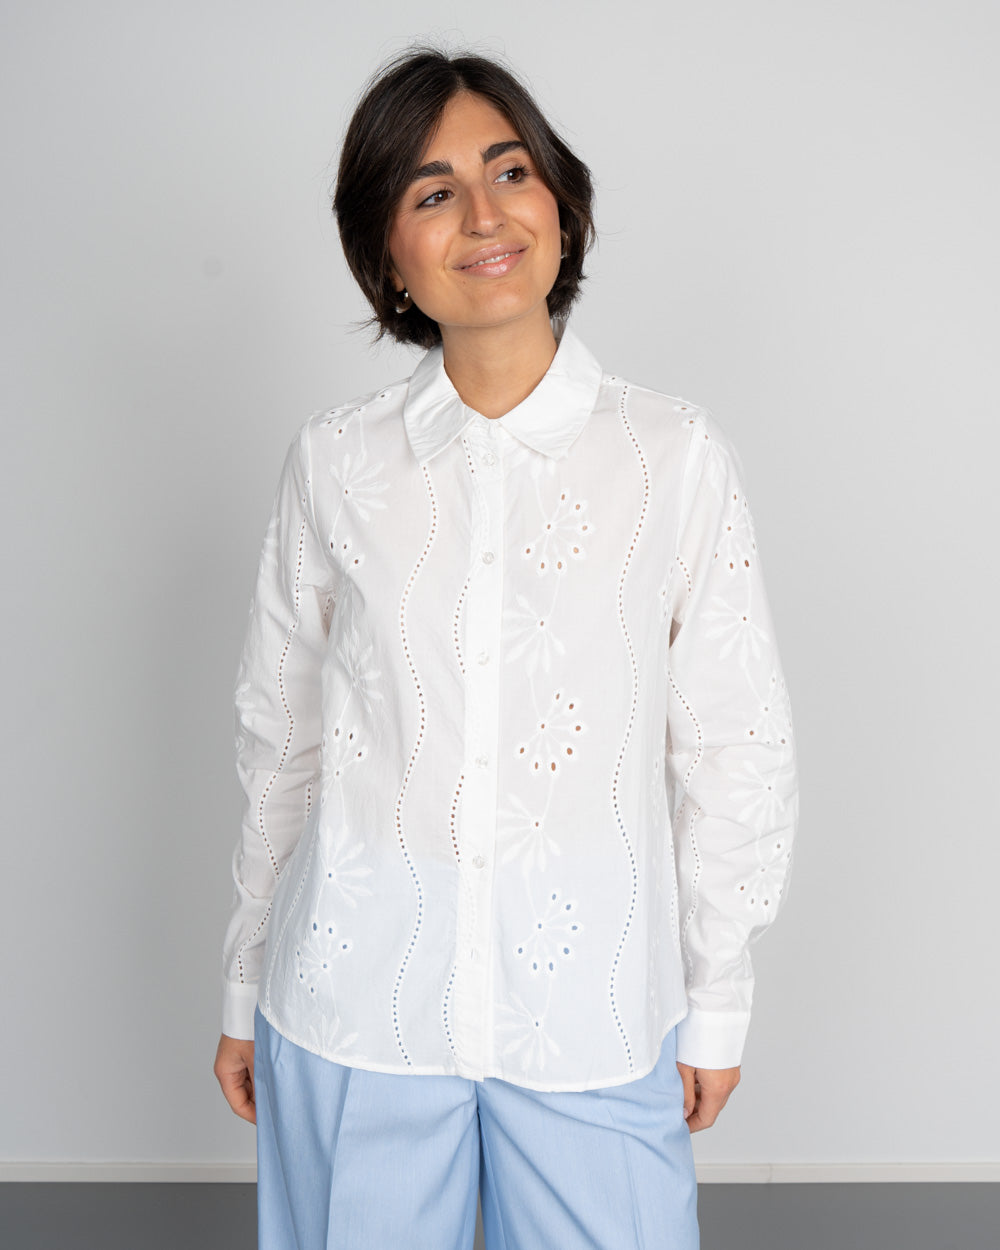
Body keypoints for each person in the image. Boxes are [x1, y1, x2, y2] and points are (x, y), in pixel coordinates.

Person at [214, 46, 798, 1250]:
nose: (483, 214)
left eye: (509, 171)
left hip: (591, 1015)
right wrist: (241, 977)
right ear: (386, 253)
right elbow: (283, 741)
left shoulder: (671, 454)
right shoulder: (333, 462)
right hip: (355, 1011)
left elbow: (733, 742)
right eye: (432, 192)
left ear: (560, 204)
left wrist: (717, 993)